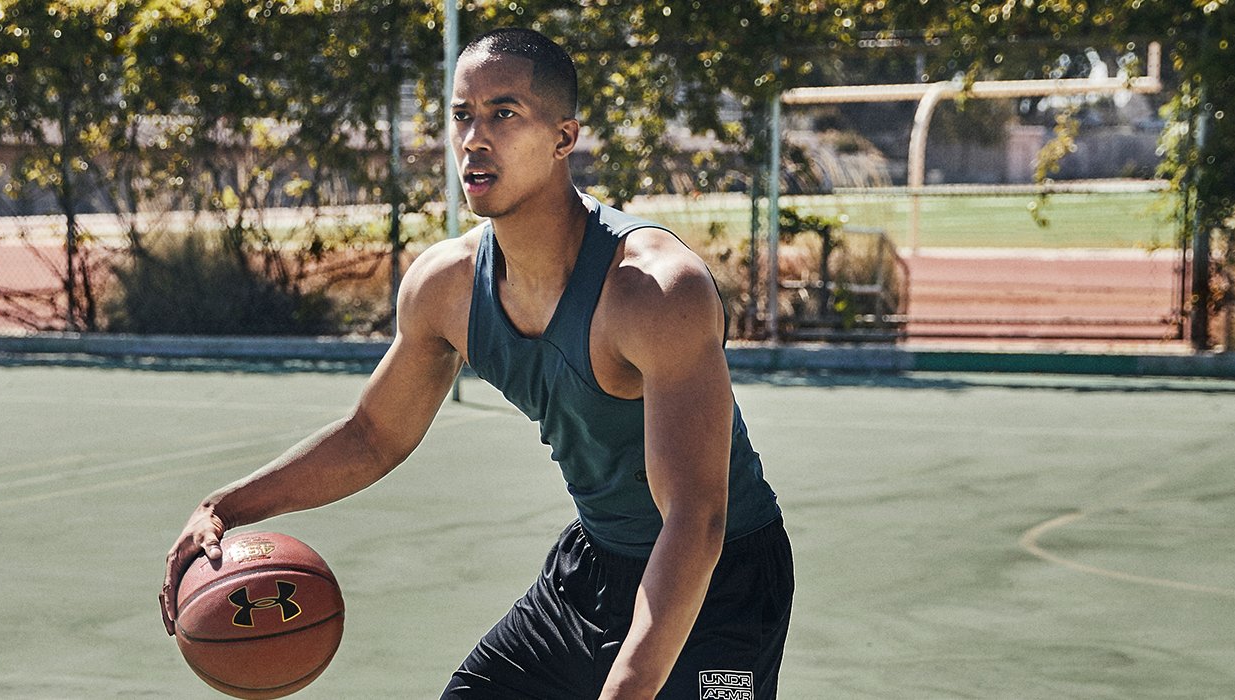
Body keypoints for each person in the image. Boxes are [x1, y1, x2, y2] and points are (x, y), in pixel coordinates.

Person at [159, 27, 793, 700]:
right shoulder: (448, 285)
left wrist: (627, 689)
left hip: (720, 584)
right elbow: (374, 437)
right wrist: (223, 507)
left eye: (504, 113)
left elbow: (695, 517)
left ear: (564, 137)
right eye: (462, 115)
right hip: (592, 573)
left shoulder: (656, 292)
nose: (473, 138)